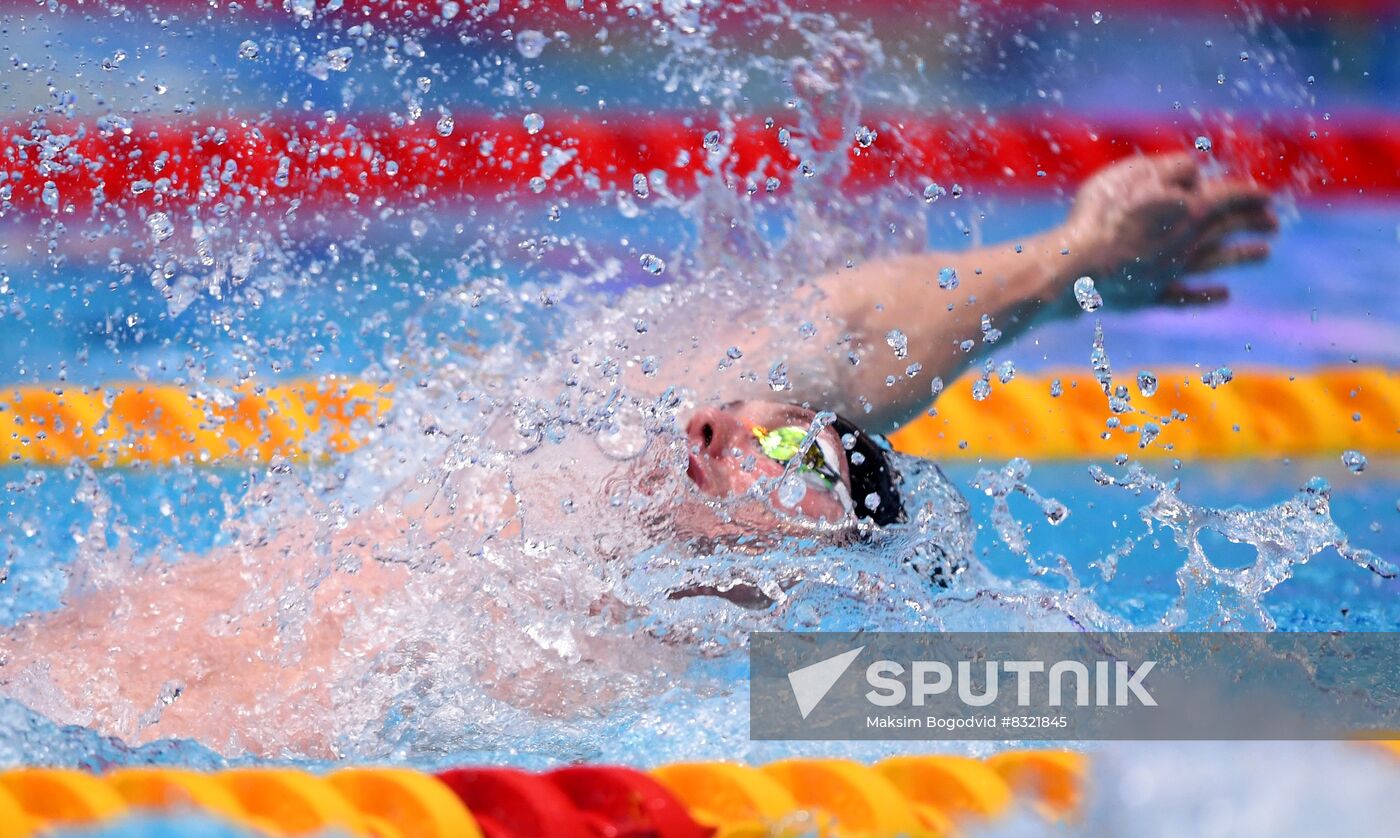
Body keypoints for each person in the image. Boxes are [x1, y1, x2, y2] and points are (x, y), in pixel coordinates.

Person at [0, 153, 1275, 754]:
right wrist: (1065, 264)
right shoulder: (580, 459)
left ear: (792, 583)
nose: (719, 429)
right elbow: (843, 328)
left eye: (786, 465)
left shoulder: (604, 677)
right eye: (747, 421)